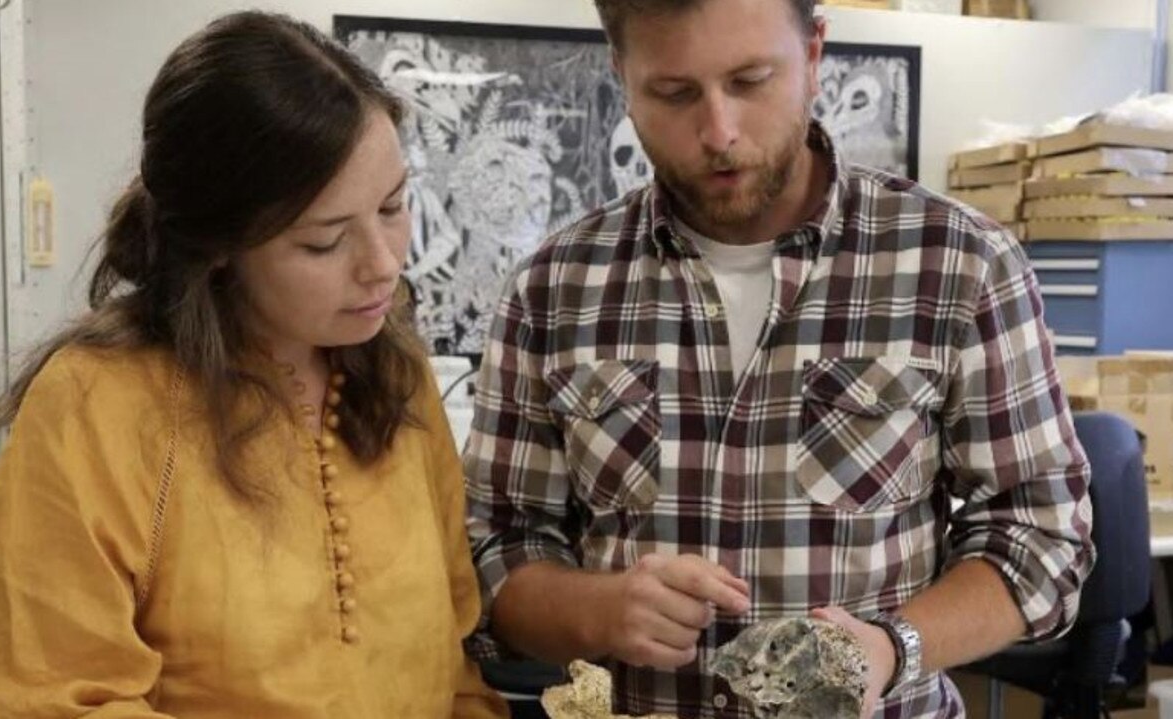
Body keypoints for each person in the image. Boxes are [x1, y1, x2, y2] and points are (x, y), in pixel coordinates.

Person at [463, 0, 1094, 716]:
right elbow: (495, 546)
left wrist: (893, 647)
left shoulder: (959, 264)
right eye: (673, 93)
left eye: (751, 80)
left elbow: (1039, 536)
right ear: (621, 74)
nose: (718, 132)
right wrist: (596, 609)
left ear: (815, 54)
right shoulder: (553, 288)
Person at [0, 11, 508, 719]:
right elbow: (41, 696)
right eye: (323, 243)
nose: (385, 264)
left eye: (394, 206)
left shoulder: (397, 377)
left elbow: (451, 667)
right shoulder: (99, 404)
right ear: (217, 246)